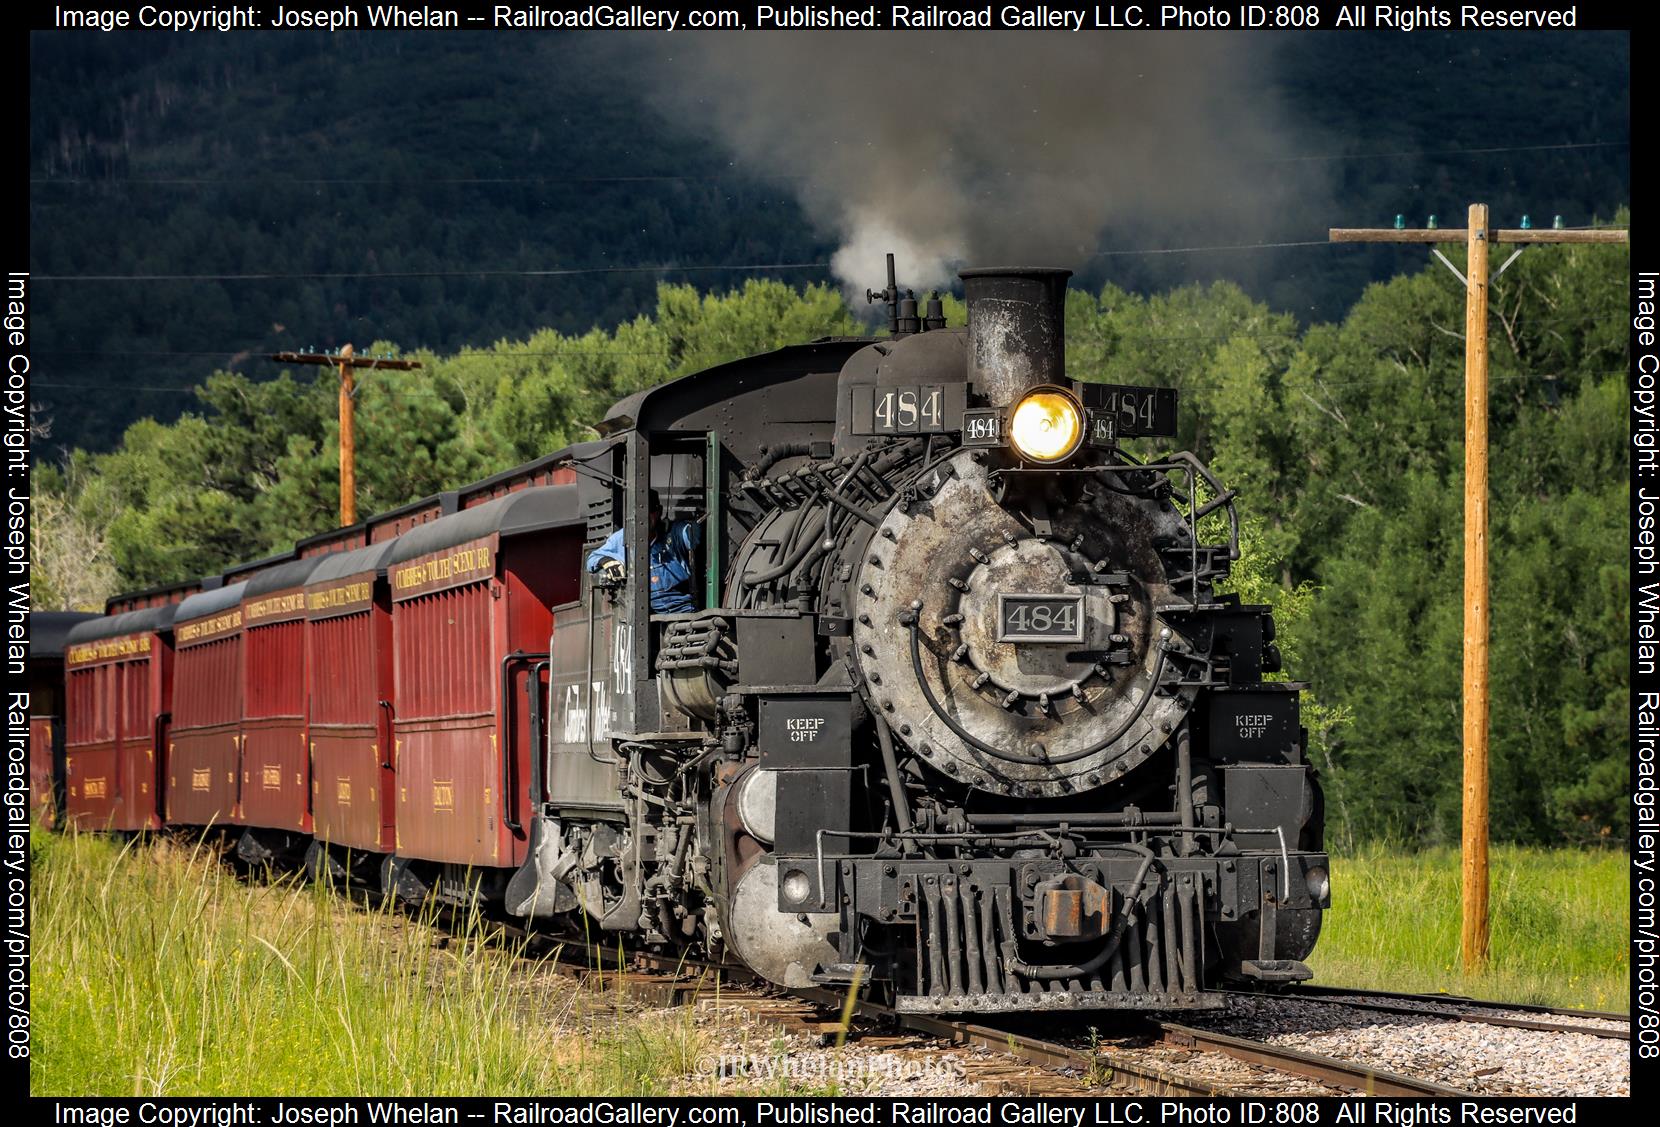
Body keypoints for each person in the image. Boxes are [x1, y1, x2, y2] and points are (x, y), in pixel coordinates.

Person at [586, 490, 702, 613]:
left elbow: (690, 536)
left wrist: (697, 525)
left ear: (659, 512)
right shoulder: (622, 538)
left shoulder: (674, 533)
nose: (644, 516)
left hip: (682, 609)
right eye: (639, 512)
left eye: (650, 510)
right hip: (643, 614)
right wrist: (605, 561)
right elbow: (592, 559)